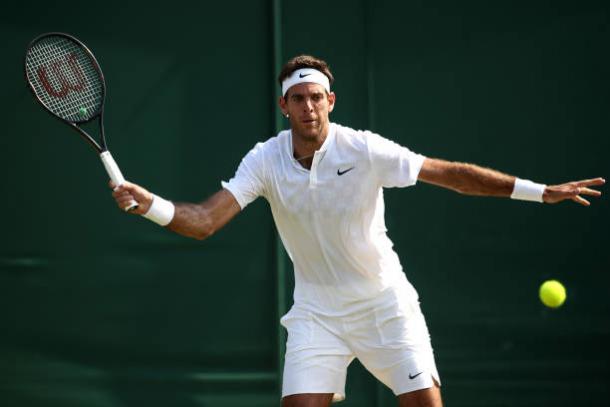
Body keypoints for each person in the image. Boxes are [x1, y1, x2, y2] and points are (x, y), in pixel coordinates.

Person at [110, 55, 604, 407]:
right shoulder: (264, 160)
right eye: (298, 99)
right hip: (317, 315)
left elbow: (451, 174)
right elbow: (204, 222)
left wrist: (539, 191)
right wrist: (149, 204)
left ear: (331, 101)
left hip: (384, 304)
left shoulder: (364, 149)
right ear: (284, 106)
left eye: (317, 98)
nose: (309, 108)